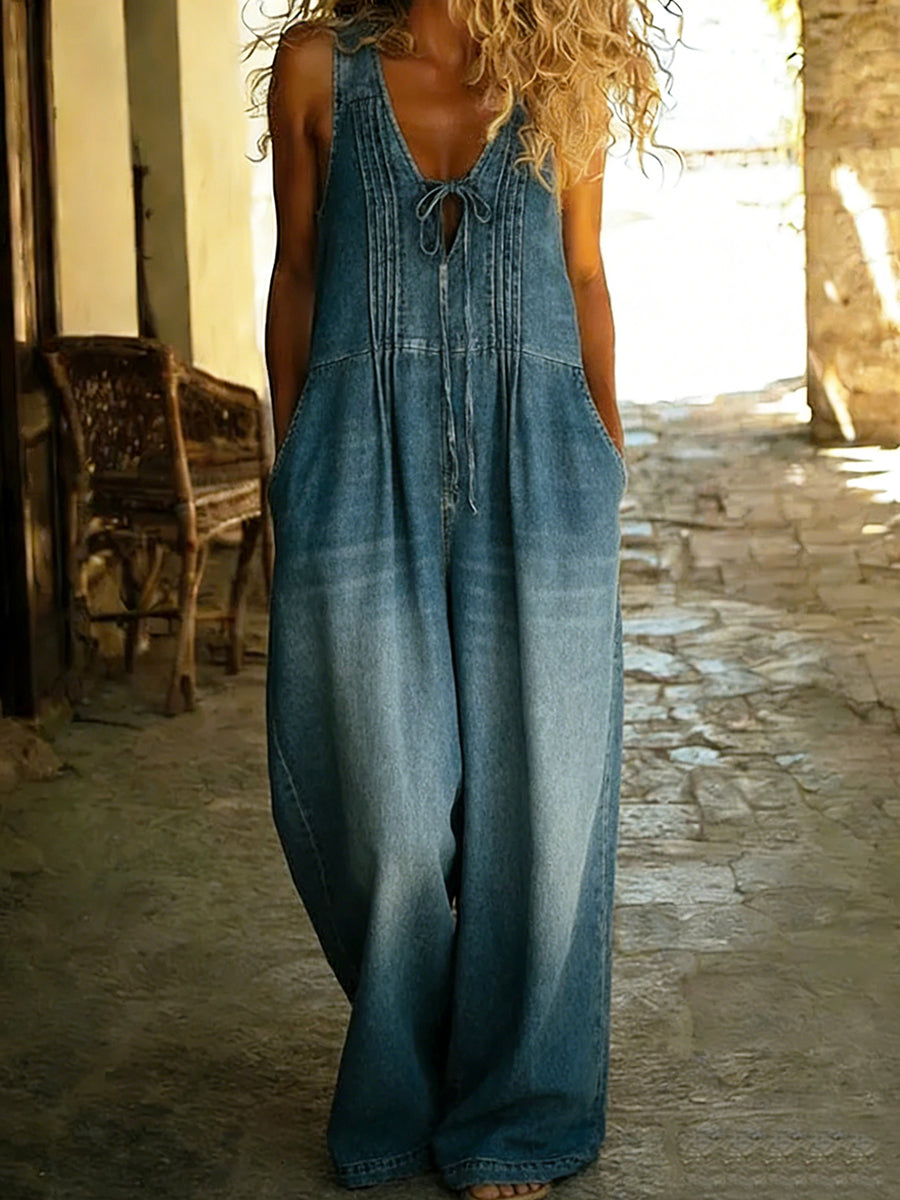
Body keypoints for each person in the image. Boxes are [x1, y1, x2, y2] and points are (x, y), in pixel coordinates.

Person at [257, 1, 675, 1196]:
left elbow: (584, 274)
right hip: (355, 456)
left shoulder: (567, 75)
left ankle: (519, 1110)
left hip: (540, 460)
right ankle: (407, 1076)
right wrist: (296, 461)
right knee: (384, 811)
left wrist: (600, 455)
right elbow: (298, 272)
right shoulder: (316, 71)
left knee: (543, 811)